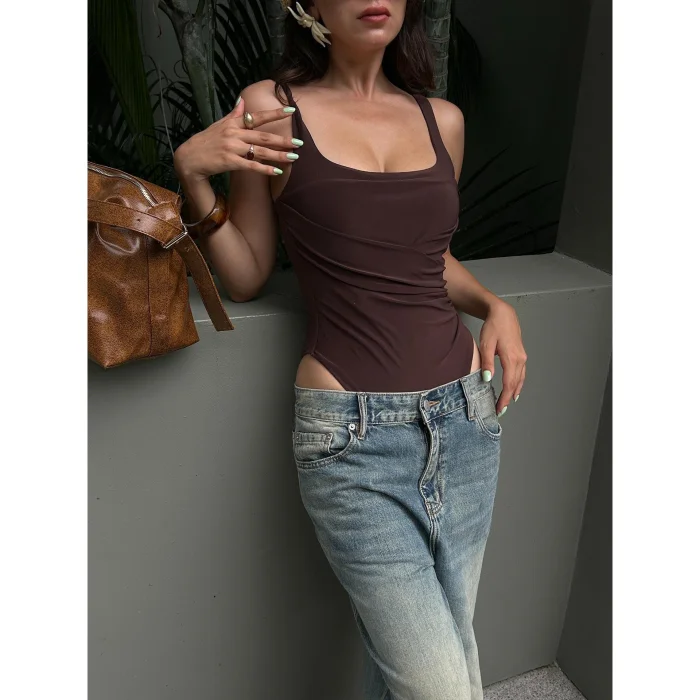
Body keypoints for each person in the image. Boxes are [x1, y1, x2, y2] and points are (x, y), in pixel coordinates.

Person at [174, 1, 527, 698]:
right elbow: (247, 274)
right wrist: (191, 176)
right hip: (352, 438)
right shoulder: (271, 109)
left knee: (438, 648)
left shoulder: (443, 121)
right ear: (308, 5)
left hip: (466, 418)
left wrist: (495, 305)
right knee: (442, 684)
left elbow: (427, 259)